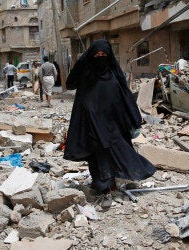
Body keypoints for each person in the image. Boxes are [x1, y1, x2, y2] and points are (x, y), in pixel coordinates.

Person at [64, 39, 156, 209]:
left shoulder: (114, 74)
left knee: (118, 153)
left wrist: (133, 120)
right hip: (92, 124)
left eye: (103, 55)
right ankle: (103, 189)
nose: (100, 58)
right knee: (98, 155)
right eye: (96, 55)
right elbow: (70, 83)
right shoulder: (86, 74)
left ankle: (113, 182)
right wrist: (82, 61)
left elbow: (125, 97)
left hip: (113, 124)